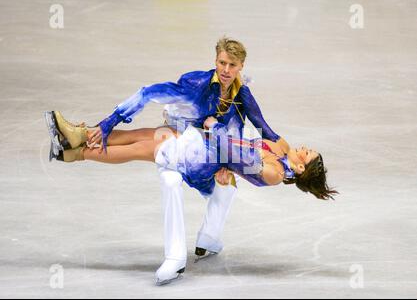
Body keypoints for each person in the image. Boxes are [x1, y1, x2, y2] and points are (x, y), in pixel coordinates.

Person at [46, 37, 282, 285]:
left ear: (241, 66)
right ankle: (176, 257)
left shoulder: (241, 94)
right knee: (145, 147)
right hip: (187, 139)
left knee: (148, 147)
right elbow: (148, 93)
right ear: (215, 60)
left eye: (232, 65)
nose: (225, 70)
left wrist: (287, 163)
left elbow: (262, 130)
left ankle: (75, 145)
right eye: (222, 63)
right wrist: (108, 122)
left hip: (207, 155)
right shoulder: (197, 83)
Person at [45, 111, 338, 284]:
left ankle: (76, 153)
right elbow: (257, 121)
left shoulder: (274, 172)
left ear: (301, 168)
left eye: (308, 152)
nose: (305, 146)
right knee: (147, 134)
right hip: (208, 142)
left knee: (142, 149)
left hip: (204, 157)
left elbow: (238, 156)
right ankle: (81, 134)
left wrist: (213, 126)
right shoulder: (283, 148)